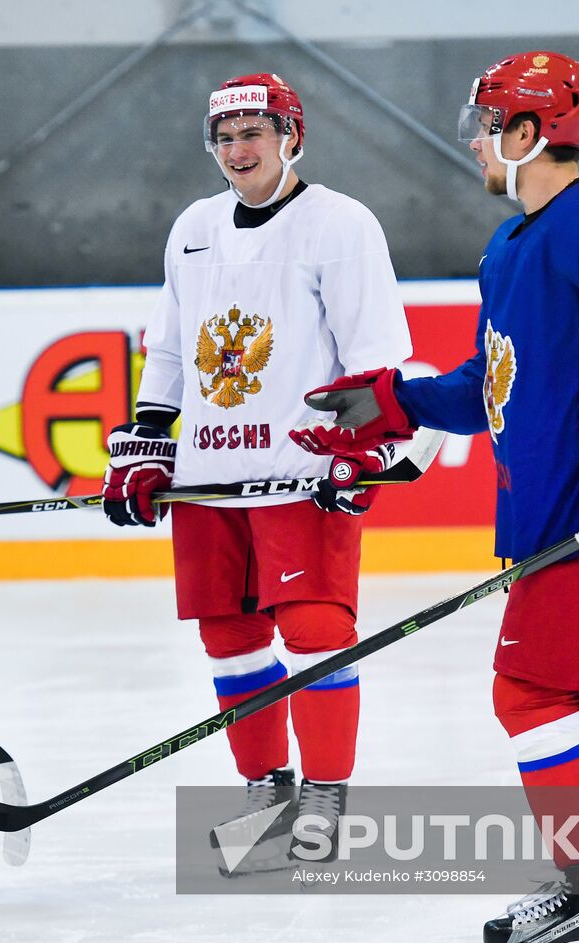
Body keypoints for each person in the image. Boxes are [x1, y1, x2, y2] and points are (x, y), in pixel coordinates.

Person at [290, 52, 579, 943]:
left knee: (531, 693)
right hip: (554, 514)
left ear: (531, 132)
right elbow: (495, 384)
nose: (475, 139)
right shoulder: (510, 248)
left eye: (487, 121)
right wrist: (393, 402)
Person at [102, 73, 412, 868]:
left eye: (255, 134)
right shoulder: (195, 227)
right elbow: (168, 347)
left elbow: (377, 356)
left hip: (298, 470)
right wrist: (146, 444)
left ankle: (327, 798)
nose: (239, 150)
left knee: (315, 629)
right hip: (209, 473)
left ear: (291, 136)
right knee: (229, 636)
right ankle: (267, 795)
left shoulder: (341, 223)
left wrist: (364, 451)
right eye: (227, 137)